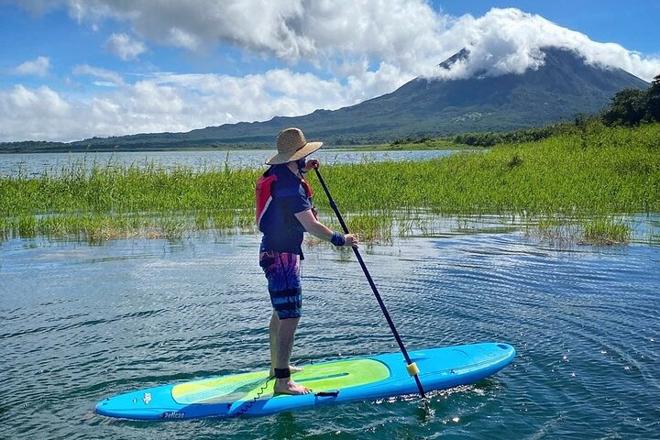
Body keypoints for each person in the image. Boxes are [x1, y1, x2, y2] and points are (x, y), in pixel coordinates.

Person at [257, 127, 358, 395]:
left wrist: (305, 170)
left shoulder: (277, 174)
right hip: (282, 257)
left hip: (273, 252)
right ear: (295, 156)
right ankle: (282, 381)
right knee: (290, 316)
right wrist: (341, 239)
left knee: (281, 311)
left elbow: (290, 183)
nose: (307, 158)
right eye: (303, 156)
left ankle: (277, 367)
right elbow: (311, 226)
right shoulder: (291, 190)